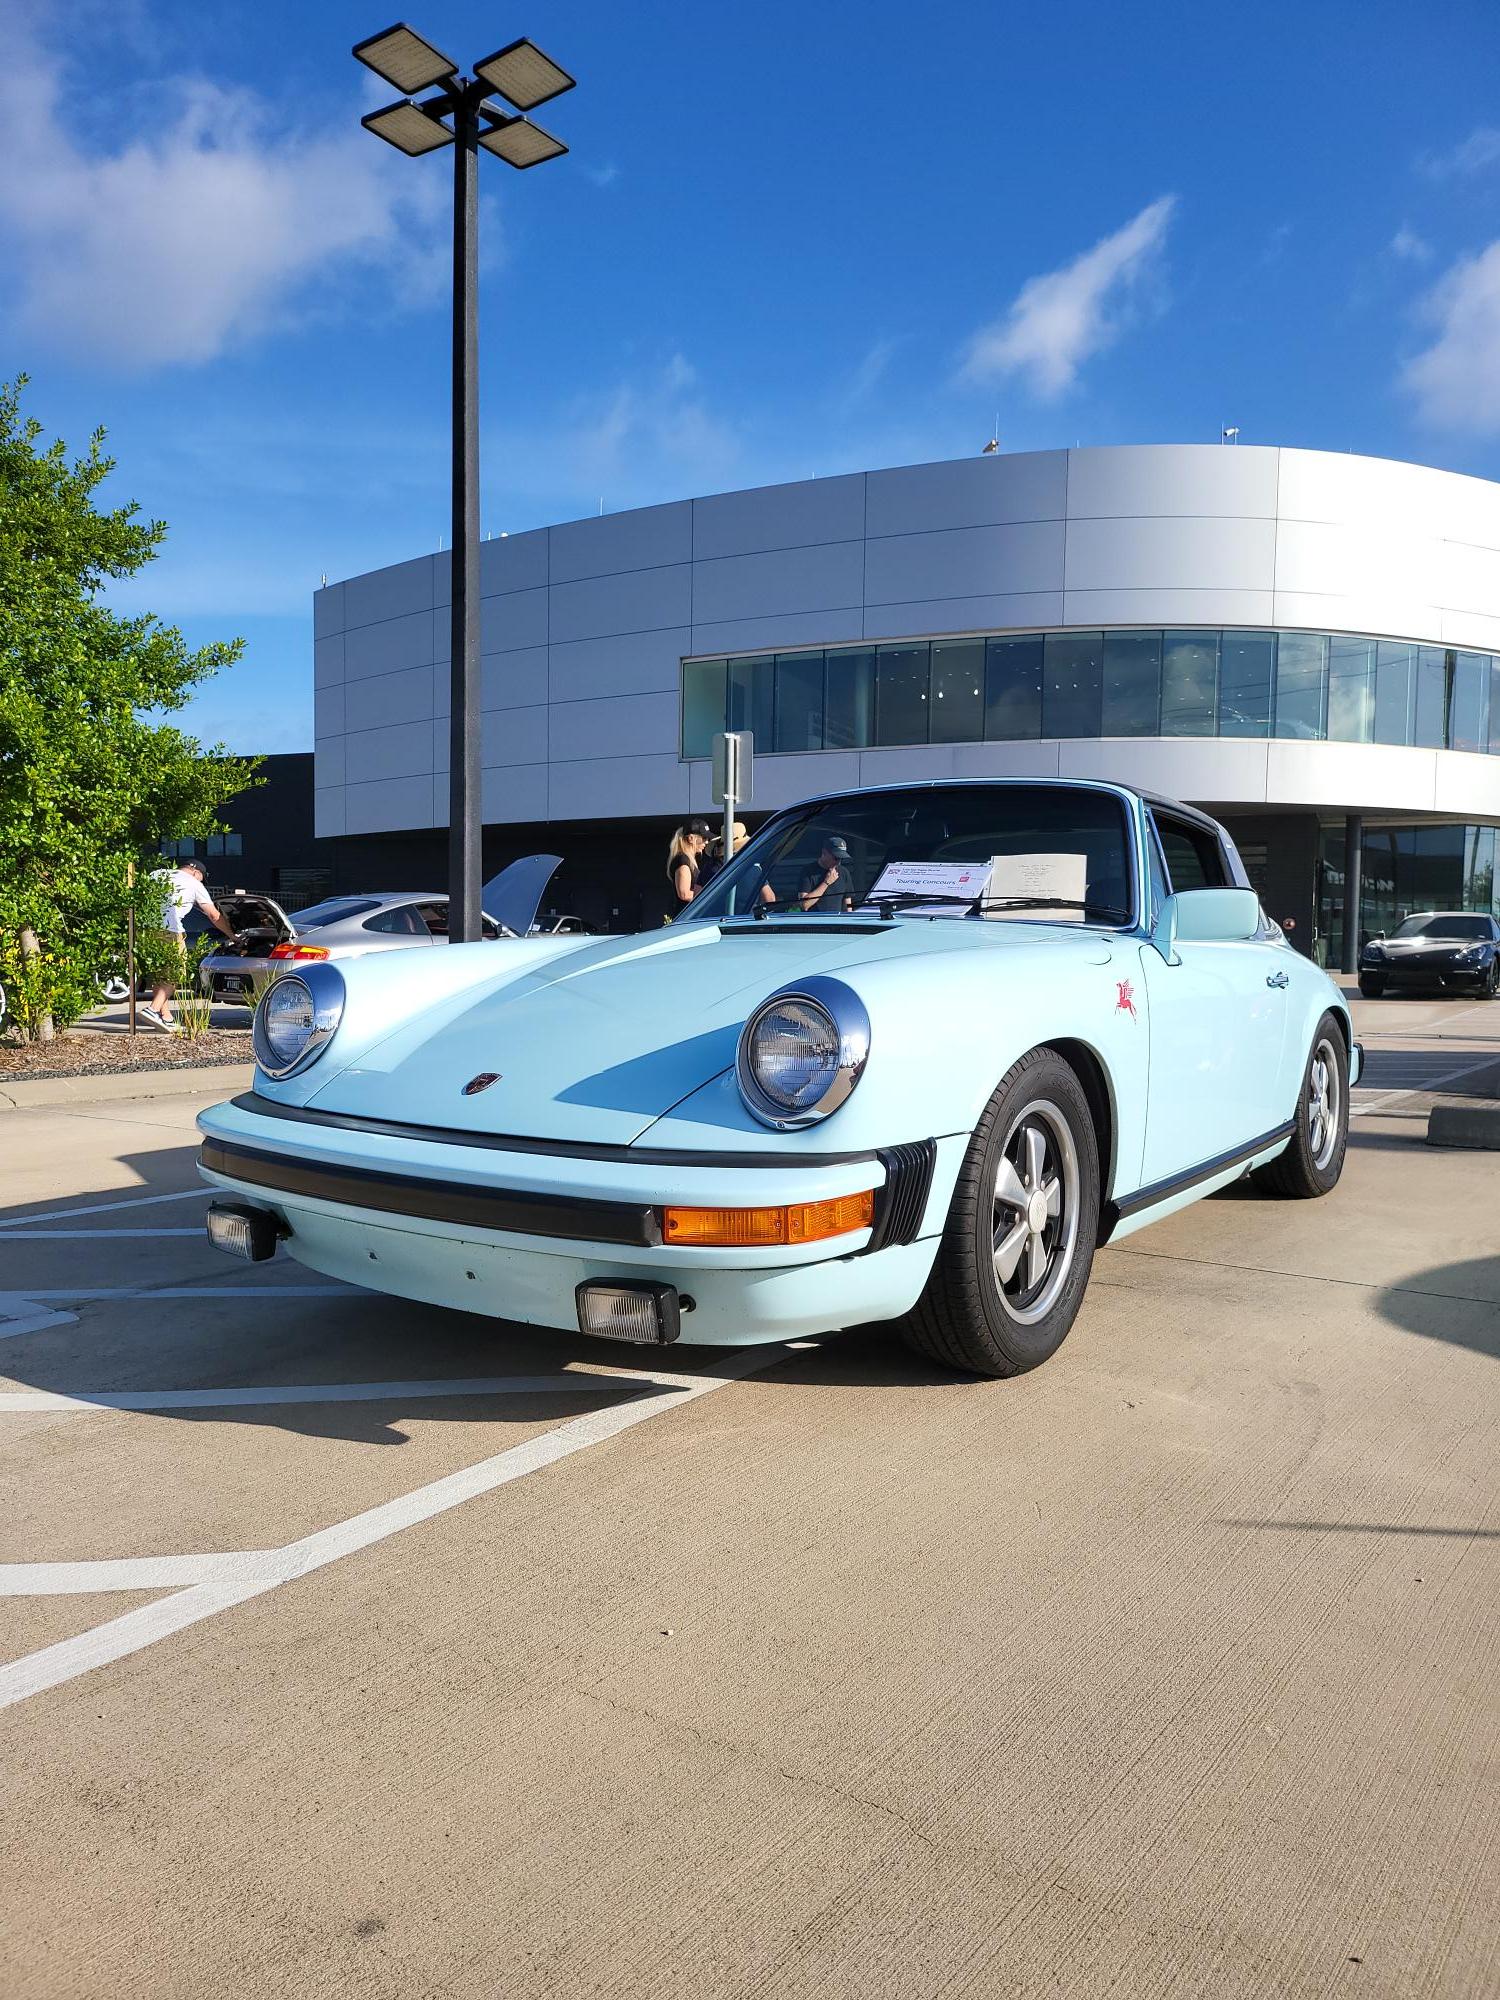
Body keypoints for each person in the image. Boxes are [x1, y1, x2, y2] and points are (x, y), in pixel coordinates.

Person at [143, 857, 234, 1031]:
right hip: (169, 930)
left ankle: (166, 1017)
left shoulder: (156, 874)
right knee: (177, 972)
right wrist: (232, 935)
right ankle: (153, 1010)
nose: (202, 882)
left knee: (160, 974)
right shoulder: (194, 883)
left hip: (145, 929)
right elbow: (213, 915)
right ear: (195, 872)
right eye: (202, 878)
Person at [798, 835, 854, 912]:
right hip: (814, 922)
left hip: (836, 922)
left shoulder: (844, 872)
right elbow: (804, 905)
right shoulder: (808, 871)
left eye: (841, 858)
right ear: (824, 852)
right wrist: (826, 883)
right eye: (836, 858)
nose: (838, 862)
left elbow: (848, 905)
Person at [666, 820, 712, 913]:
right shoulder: (683, 860)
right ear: (691, 838)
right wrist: (709, 896)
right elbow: (684, 894)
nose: (706, 842)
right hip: (685, 916)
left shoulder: (687, 860)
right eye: (703, 838)